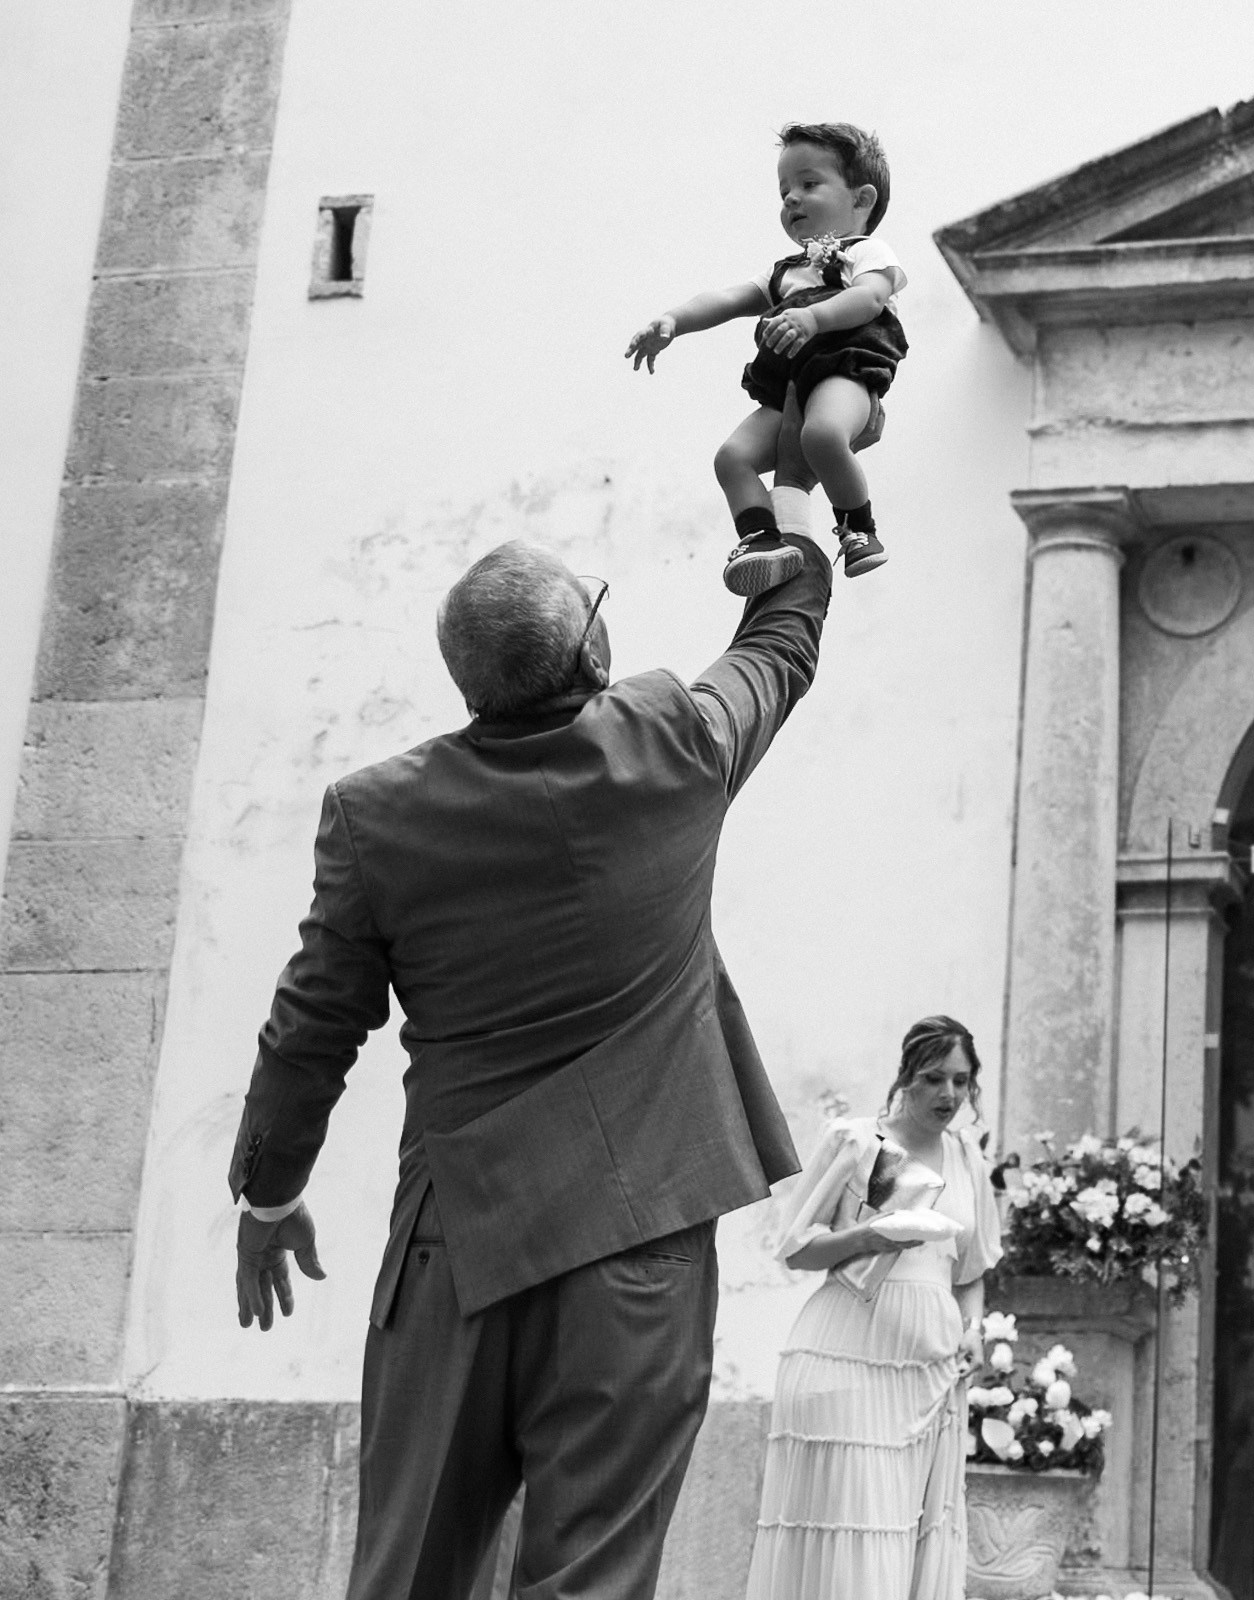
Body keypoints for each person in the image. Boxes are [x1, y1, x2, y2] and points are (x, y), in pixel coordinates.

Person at [227, 537, 833, 1598]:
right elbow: (778, 649)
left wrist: (271, 1192)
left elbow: (313, 1022)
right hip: (636, 1240)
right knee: (591, 1576)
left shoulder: (378, 814)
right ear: (594, 649)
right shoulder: (672, 742)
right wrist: (794, 553)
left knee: (410, 1569)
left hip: (455, 1241)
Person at [748, 1016, 1002, 1600]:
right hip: (844, 1361)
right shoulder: (859, 1142)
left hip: (928, 1377)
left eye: (961, 1082)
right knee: (854, 1533)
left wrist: (974, 1331)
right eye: (934, 1078)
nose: (949, 1095)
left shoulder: (967, 1159)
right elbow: (796, 1249)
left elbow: (972, 1275)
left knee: (905, 1538)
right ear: (906, 1076)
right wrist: (870, 1236)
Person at [627, 121, 907, 588]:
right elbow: (727, 298)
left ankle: (858, 527)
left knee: (821, 434)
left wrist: (813, 319)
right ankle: (761, 538)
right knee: (731, 457)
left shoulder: (868, 252)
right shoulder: (787, 272)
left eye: (809, 184)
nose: (791, 198)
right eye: (784, 191)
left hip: (847, 372)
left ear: (861, 200)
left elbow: (871, 299)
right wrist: (673, 320)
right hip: (789, 384)